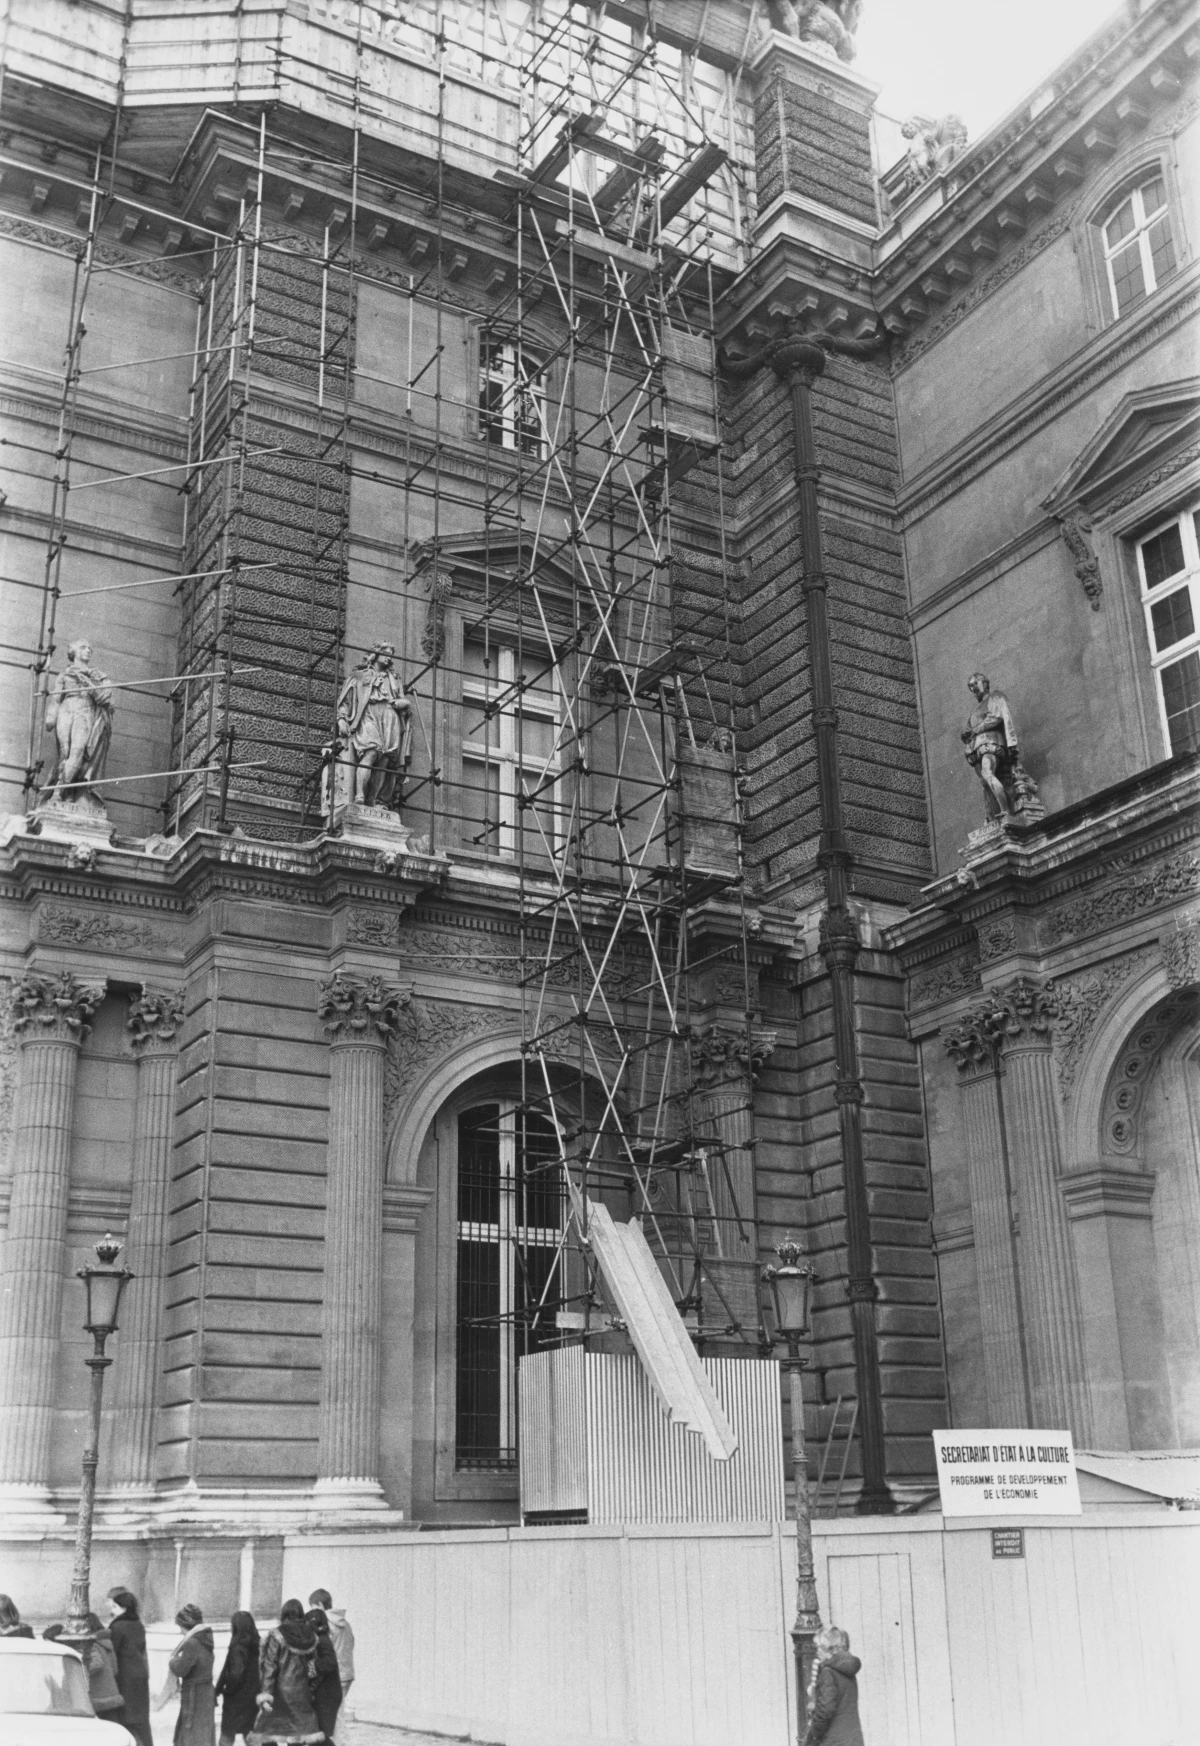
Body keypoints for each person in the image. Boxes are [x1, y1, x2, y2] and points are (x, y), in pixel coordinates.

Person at [335, 642, 412, 809]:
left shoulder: (394, 678)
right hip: (369, 713)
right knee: (371, 752)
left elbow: (403, 699)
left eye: (391, 654)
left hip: (390, 715)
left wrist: (403, 702)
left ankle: (374, 801)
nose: (389, 657)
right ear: (375, 654)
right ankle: (360, 795)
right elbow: (346, 699)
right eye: (385, 653)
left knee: (384, 761)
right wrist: (341, 718)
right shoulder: (360, 675)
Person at [43, 638, 114, 803]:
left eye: (90, 648)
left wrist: (91, 686)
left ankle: (57, 792)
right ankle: (67, 792)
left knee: (77, 751)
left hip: (85, 710)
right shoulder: (65, 674)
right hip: (66, 709)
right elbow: (56, 698)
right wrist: (51, 717)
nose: (88, 651)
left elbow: (106, 697)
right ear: (73, 652)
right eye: (83, 648)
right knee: (64, 752)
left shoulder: (97, 676)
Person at [254, 1599, 324, 1744]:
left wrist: (266, 1694)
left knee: (268, 1734)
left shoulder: (277, 1634)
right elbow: (314, 1668)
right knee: (297, 1735)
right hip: (302, 1693)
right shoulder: (311, 1636)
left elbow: (270, 1666)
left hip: (280, 1693)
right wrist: (311, 1690)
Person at [105, 1588, 153, 1746]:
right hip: (140, 1676)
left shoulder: (117, 1627)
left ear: (123, 1608)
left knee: (126, 1718)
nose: (111, 1610)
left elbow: (112, 1652)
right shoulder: (138, 1624)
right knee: (141, 1720)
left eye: (114, 1607)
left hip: (125, 1677)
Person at [805, 1624, 865, 1746]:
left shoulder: (828, 1672)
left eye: (818, 1647)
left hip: (833, 1741)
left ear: (827, 1649)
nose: (817, 1652)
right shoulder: (847, 1669)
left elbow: (825, 1711)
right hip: (853, 1739)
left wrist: (813, 1736)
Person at [166, 1604, 215, 1746]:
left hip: (195, 1695)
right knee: (202, 1732)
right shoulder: (205, 1638)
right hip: (205, 1692)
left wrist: (172, 1661)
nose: (180, 1631)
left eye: (180, 1626)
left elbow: (181, 1669)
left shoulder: (192, 1642)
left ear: (186, 1625)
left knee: (191, 1733)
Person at [307, 1588, 354, 1728]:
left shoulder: (325, 1622)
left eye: (313, 1607)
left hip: (333, 1676)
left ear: (320, 1604)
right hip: (347, 1672)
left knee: (334, 1721)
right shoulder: (345, 1624)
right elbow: (351, 1644)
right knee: (336, 1716)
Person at [214, 1610, 260, 1746]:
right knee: (250, 1732)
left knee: (227, 1735)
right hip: (253, 1696)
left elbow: (235, 1674)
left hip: (236, 1699)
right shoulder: (258, 1644)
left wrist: (227, 1690)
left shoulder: (238, 1646)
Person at [75, 1612, 124, 1725]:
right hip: (111, 1695)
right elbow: (115, 1669)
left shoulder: (90, 1644)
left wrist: (78, 1671)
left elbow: (97, 1663)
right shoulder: (106, 1642)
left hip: (98, 1698)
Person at [304, 1608, 343, 1744]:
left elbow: (330, 1662)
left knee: (318, 1736)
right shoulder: (319, 1639)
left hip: (327, 1695)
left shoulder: (322, 1639)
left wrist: (311, 1666)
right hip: (326, 1693)